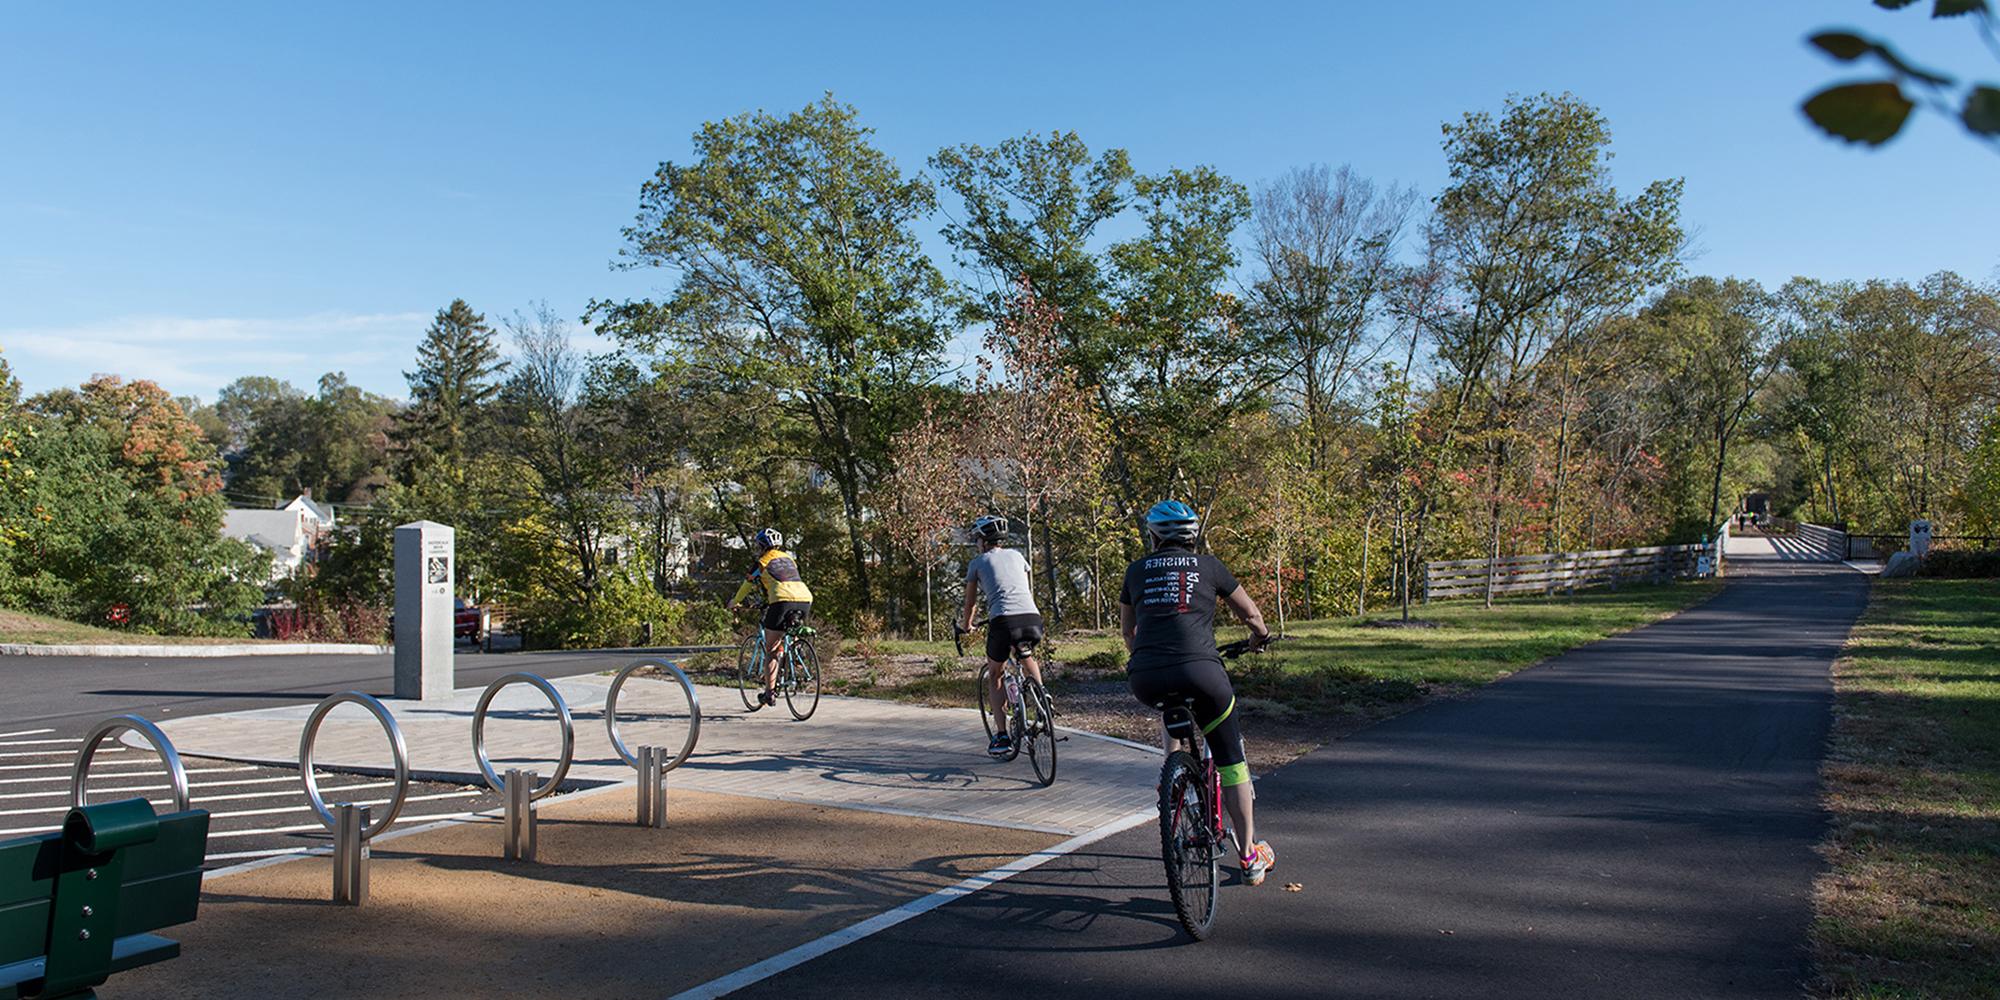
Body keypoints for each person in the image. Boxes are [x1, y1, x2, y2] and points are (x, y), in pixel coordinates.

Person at [1119, 499, 1277, 887]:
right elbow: (1253, 616)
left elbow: (1128, 632)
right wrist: (1260, 638)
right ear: (1193, 535)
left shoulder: (1136, 571)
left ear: (1153, 536)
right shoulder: (1210, 566)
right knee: (1231, 759)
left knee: (1171, 704)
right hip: (1203, 672)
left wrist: (1147, 656)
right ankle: (1249, 856)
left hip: (1146, 677)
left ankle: (1170, 775)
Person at [956, 514, 1046, 758]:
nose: (976, 543)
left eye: (977, 539)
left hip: (1003, 621)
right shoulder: (1017, 556)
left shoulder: (978, 562)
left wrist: (967, 625)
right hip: (1032, 618)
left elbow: (970, 602)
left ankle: (1002, 736)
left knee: (995, 673)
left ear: (984, 540)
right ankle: (1041, 695)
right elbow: (1023, 589)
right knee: (1024, 651)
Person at [729, 528, 814, 710]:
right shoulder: (789, 559)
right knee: (789, 632)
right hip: (805, 598)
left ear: (762, 546)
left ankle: (770, 693)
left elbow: (748, 584)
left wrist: (735, 601)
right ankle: (797, 652)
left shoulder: (762, 561)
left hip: (781, 601)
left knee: (771, 650)